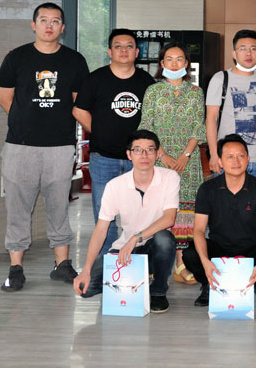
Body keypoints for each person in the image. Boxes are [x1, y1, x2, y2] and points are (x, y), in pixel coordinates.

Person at [0, 2, 89, 292]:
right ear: (33, 24)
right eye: (44, 20)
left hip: (60, 146)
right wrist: (28, 123)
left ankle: (62, 264)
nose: (49, 25)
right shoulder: (16, 57)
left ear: (63, 27)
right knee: (18, 207)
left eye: (55, 21)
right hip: (20, 146)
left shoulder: (74, 60)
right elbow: (5, 98)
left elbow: (78, 102)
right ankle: (16, 268)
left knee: (59, 205)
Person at [72, 130, 178, 313]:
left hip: (153, 247)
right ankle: (138, 277)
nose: (144, 155)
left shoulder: (170, 178)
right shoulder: (115, 185)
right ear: (129, 155)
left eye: (150, 150)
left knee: (164, 239)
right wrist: (86, 270)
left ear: (157, 154)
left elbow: (169, 219)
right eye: (137, 150)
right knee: (85, 289)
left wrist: (136, 238)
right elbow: (101, 229)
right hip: (125, 250)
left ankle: (159, 290)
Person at [73, 28, 155, 257]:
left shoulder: (147, 81)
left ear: (137, 52)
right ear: (110, 52)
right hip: (103, 158)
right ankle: (106, 263)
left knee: (140, 212)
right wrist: (99, 131)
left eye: (129, 46)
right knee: (104, 215)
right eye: (118, 46)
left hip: (139, 160)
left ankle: (136, 261)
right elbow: (79, 110)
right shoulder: (95, 79)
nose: (123, 50)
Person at [182, 135, 256, 307]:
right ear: (220, 161)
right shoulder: (207, 189)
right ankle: (208, 284)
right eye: (229, 157)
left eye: (241, 156)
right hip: (219, 248)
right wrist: (205, 261)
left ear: (248, 158)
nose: (236, 161)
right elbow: (198, 230)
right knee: (190, 255)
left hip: (250, 249)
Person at [139, 42, 206, 285]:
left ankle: (180, 263)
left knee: (185, 211)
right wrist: (162, 154)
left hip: (188, 161)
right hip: (159, 160)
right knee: (159, 210)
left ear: (186, 63)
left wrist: (185, 155)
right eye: (169, 59)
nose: (175, 63)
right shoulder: (153, 91)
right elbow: (146, 125)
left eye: (179, 59)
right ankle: (156, 262)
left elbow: (199, 126)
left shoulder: (196, 92)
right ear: (162, 63)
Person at [206, 29, 256, 182]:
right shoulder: (220, 78)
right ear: (234, 54)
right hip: (229, 160)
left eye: (253, 48)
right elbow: (211, 119)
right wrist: (214, 154)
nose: (248, 53)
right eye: (243, 49)